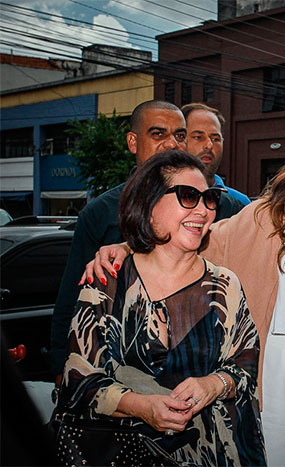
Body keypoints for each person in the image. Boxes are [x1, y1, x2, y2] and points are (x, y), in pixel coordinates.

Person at [84, 112, 285, 466]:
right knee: (265, 458)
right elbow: (200, 239)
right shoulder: (270, 215)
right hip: (272, 361)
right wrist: (128, 248)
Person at [60, 150, 266, 466]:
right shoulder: (110, 278)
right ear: (150, 205)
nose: (203, 210)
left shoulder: (224, 284)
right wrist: (140, 406)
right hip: (118, 452)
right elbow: (79, 374)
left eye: (209, 198)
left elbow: (246, 362)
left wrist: (213, 384)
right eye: (188, 196)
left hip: (206, 454)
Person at [50, 101, 242, 381]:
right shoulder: (102, 212)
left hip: (201, 367)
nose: (171, 144)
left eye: (179, 135)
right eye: (157, 134)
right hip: (120, 376)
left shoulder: (222, 207)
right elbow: (70, 297)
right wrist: (60, 368)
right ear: (133, 141)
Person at [181, 103, 252, 205]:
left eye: (215, 139)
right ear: (180, 140)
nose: (209, 145)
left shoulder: (240, 203)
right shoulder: (161, 195)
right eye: (198, 137)